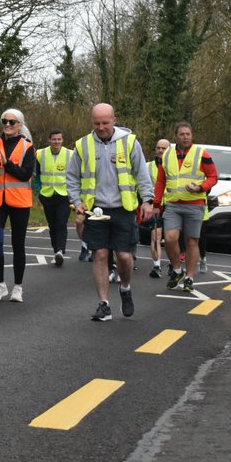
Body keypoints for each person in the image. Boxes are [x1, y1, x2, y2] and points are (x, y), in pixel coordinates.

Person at [66, 103, 155, 322]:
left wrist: (148, 200)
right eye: (96, 123)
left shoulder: (130, 142)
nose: (101, 127)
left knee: (124, 256)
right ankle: (104, 304)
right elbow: (72, 177)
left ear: (114, 120)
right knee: (100, 255)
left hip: (123, 209)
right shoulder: (82, 145)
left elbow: (142, 174)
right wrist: (77, 202)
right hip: (95, 210)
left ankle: (125, 287)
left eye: (105, 123)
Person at [153, 121, 218, 293]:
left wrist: (200, 187)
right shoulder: (167, 154)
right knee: (170, 238)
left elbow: (213, 176)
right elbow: (161, 180)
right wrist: (156, 203)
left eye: (188, 134)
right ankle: (177, 270)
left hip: (194, 205)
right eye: (182, 134)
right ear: (176, 136)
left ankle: (189, 277)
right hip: (173, 204)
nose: (185, 137)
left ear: (192, 135)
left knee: (191, 241)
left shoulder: (201, 153)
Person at [0, 108, 36, 303]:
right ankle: (0, 284)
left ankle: (18, 286)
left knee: (18, 244)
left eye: (12, 122)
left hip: (20, 201)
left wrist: (7, 164)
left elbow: (25, 174)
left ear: (20, 126)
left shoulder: (27, 147)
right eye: (4, 121)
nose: (7, 125)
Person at [35, 128, 74, 267]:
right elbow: (36, 174)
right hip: (47, 195)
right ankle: (56, 250)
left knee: (61, 223)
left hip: (64, 195)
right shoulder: (40, 154)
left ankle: (60, 251)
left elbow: (75, 175)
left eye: (59, 139)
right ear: (49, 140)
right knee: (52, 225)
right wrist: (38, 190)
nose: (56, 142)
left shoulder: (70, 154)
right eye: (54, 139)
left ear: (62, 140)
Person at [146, 138, 170, 277]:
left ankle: (174, 265)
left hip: (172, 206)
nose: (160, 150)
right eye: (158, 148)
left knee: (171, 239)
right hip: (156, 206)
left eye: (163, 148)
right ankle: (157, 266)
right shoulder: (147, 166)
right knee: (156, 236)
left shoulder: (174, 166)